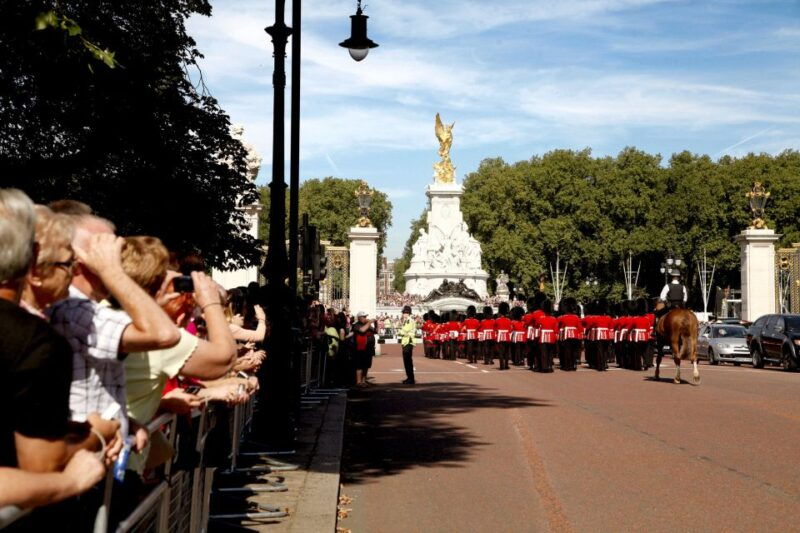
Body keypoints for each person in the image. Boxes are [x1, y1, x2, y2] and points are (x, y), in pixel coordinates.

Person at [351, 311, 376, 387]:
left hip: (369, 348)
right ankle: (358, 382)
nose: (365, 318)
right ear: (359, 318)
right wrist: (369, 322)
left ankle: (363, 381)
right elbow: (362, 330)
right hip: (360, 348)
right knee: (359, 365)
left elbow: (376, 331)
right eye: (364, 317)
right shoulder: (356, 325)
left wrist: (376, 323)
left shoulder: (368, 325)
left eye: (366, 316)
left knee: (366, 365)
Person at [557, 298, 583, 371]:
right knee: (574, 351)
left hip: (566, 335)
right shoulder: (577, 317)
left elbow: (558, 326)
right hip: (575, 335)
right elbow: (580, 328)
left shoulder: (562, 317)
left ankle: (567, 366)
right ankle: (573, 365)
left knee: (567, 351)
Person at [399, 305, 416, 384]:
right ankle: (409, 377)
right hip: (406, 341)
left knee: (407, 361)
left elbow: (404, 331)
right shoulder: (407, 321)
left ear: (407, 313)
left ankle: (410, 378)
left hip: (408, 341)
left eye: (404, 313)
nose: (403, 314)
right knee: (407, 361)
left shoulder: (409, 321)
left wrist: (399, 332)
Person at [494, 302, 512, 370]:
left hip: (500, 337)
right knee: (507, 351)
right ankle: (506, 365)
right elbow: (510, 329)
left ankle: (501, 365)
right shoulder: (509, 320)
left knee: (501, 351)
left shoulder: (497, 320)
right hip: (507, 336)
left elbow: (495, 329)